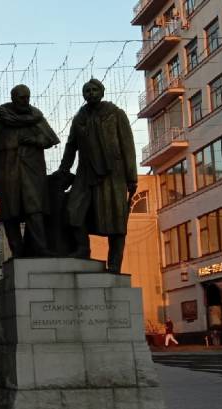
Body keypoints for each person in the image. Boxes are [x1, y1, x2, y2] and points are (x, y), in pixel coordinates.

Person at [57, 79, 138, 273]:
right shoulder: (79, 118)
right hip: (85, 173)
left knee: (116, 221)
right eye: (87, 91)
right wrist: (63, 170)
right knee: (73, 211)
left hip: (113, 174)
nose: (91, 93)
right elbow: (71, 146)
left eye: (95, 90)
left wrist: (131, 176)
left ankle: (115, 264)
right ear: (83, 95)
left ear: (102, 92)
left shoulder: (115, 114)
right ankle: (83, 248)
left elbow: (127, 146)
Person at [0, 84, 61, 257]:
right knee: (10, 214)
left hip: (32, 172)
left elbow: (50, 139)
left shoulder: (35, 117)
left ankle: (41, 248)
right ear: (13, 98)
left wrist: (35, 140)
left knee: (35, 210)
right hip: (7, 173)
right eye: (21, 98)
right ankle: (17, 251)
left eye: (27, 97)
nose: (25, 101)